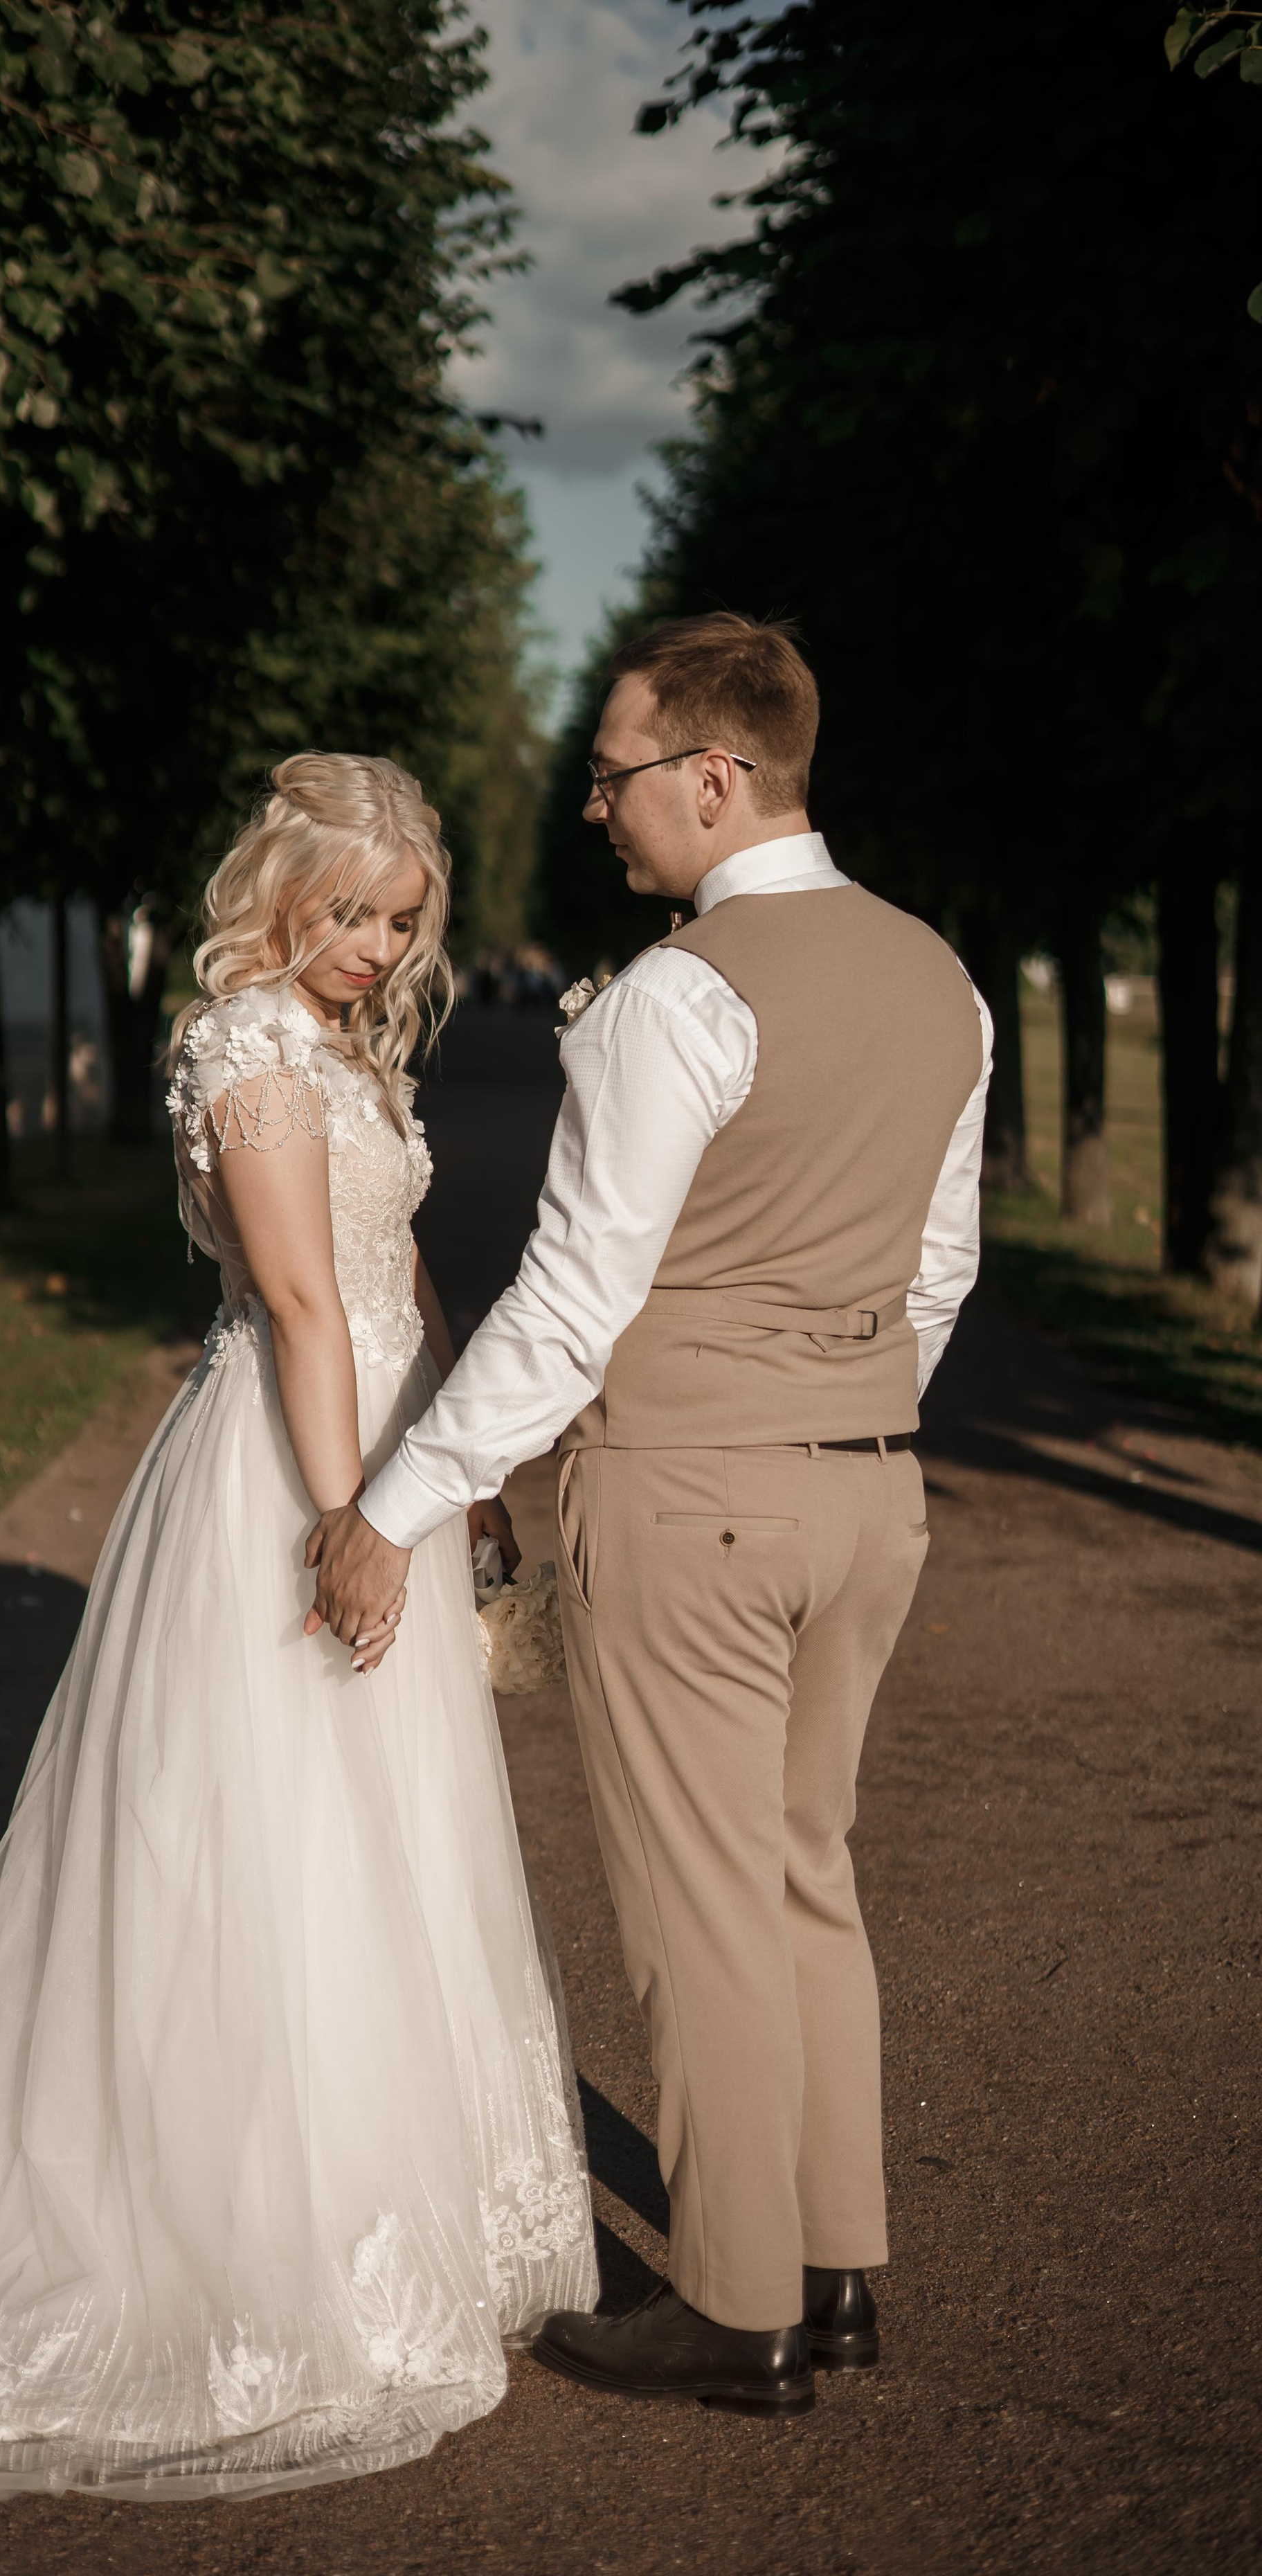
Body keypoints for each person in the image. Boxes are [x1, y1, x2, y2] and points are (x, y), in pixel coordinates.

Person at [0, 752, 597, 2501]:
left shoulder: (350, 1046)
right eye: (345, 911)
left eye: (398, 922)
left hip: (390, 1455)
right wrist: (351, 1519)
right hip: (290, 1468)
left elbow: (402, 1278)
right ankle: (244, 2229)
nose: (368, 947)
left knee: (396, 1840)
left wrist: (463, 1476)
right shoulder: (246, 1047)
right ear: (276, 889)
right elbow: (292, 1299)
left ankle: (400, 2200)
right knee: (264, 1843)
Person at [310, 615, 991, 2420]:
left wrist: (403, 1500)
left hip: (692, 1496)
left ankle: (740, 2305)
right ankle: (841, 2270)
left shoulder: (680, 998)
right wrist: (838, 1395)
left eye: (615, 774)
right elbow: (939, 1269)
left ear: (716, 774)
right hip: (873, 1492)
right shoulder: (947, 983)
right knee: (805, 1877)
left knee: (699, 1911)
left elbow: (567, 1309)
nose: (597, 807)